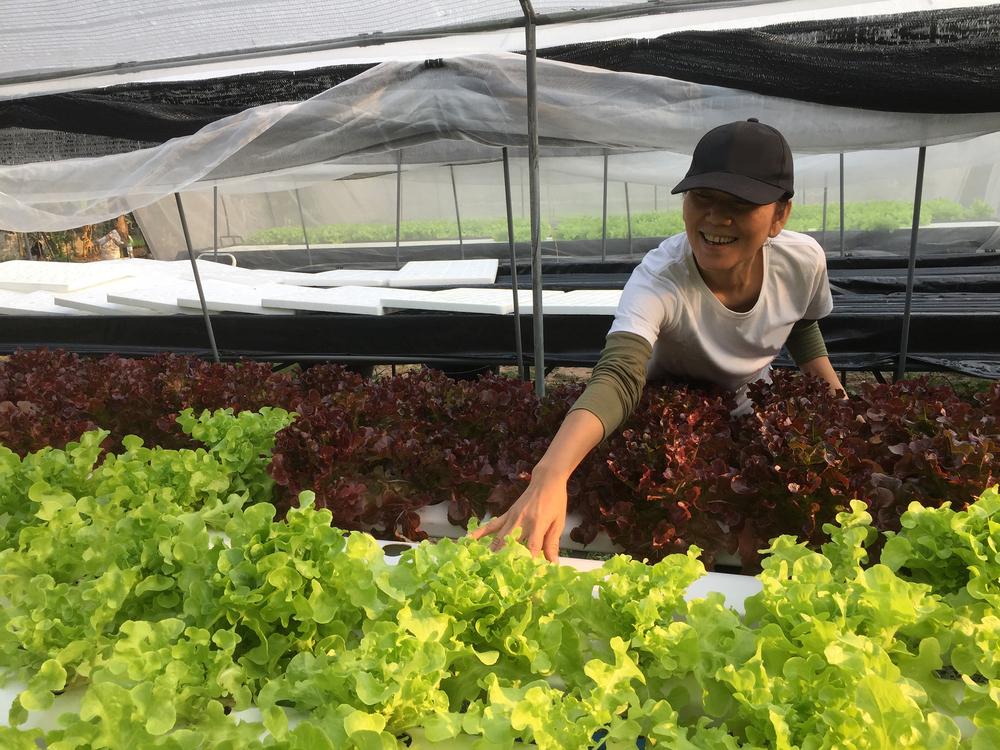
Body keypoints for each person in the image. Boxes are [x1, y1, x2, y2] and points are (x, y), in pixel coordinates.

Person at [470, 118, 844, 562]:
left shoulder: (803, 261)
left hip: (748, 413)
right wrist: (549, 475)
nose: (716, 217)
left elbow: (801, 325)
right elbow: (619, 375)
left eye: (741, 204)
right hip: (668, 422)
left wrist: (838, 408)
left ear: (780, 215)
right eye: (702, 197)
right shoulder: (660, 278)